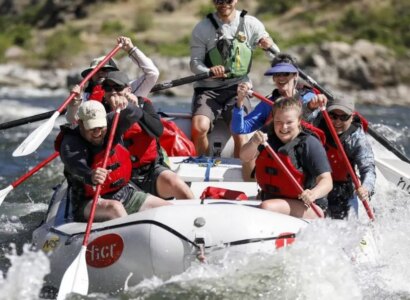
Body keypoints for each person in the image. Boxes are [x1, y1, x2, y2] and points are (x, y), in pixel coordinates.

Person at [190, 0, 279, 157]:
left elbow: (276, 54)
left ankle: (239, 169)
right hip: (208, 89)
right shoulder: (202, 28)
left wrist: (268, 45)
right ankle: (202, 162)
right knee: (199, 128)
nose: (224, 4)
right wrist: (209, 71)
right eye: (218, 1)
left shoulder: (251, 24)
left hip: (238, 89)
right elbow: (195, 63)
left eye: (228, 0)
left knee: (240, 129)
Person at [59, 100, 170, 222]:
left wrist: (126, 103)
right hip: (87, 201)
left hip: (123, 193)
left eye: (101, 127)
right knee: (115, 208)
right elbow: (75, 166)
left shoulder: (112, 121)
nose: (97, 133)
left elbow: (134, 112)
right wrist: (90, 175)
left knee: (167, 209)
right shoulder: (70, 144)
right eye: (92, 128)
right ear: (80, 123)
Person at [102, 71, 194, 200]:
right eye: (107, 88)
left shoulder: (142, 104)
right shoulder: (100, 111)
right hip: (118, 176)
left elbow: (157, 130)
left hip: (149, 171)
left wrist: (135, 110)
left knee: (179, 185)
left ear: (128, 90)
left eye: (118, 88)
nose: (113, 92)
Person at [240, 96, 333, 219]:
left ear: (299, 120)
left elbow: (327, 181)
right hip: (271, 199)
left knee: (266, 207)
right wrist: (254, 143)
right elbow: (244, 157)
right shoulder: (267, 134)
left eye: (289, 122)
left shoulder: (309, 143)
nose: (283, 127)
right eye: (278, 122)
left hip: (308, 207)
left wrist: (313, 193)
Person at [310, 96, 376, 219]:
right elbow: (296, 119)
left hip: (342, 189)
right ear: (327, 114)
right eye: (333, 116)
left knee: (347, 225)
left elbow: (368, 168)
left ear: (352, 117)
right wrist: (309, 106)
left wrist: (366, 188)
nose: (337, 122)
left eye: (343, 117)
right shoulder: (315, 122)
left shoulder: (357, 139)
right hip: (314, 184)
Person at [66, 35, 159, 123]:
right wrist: (74, 104)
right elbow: (72, 121)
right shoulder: (84, 98)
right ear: (91, 76)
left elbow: (153, 74)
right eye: (96, 71)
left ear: (115, 73)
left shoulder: (127, 89)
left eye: (106, 70)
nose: (101, 72)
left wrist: (131, 49)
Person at [231, 53, 324, 135]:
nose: (281, 78)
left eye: (286, 74)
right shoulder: (267, 104)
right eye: (277, 74)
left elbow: (309, 115)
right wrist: (240, 101)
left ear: (295, 75)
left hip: (305, 146)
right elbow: (238, 129)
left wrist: (312, 106)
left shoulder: (309, 97)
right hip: (278, 150)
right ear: (273, 78)